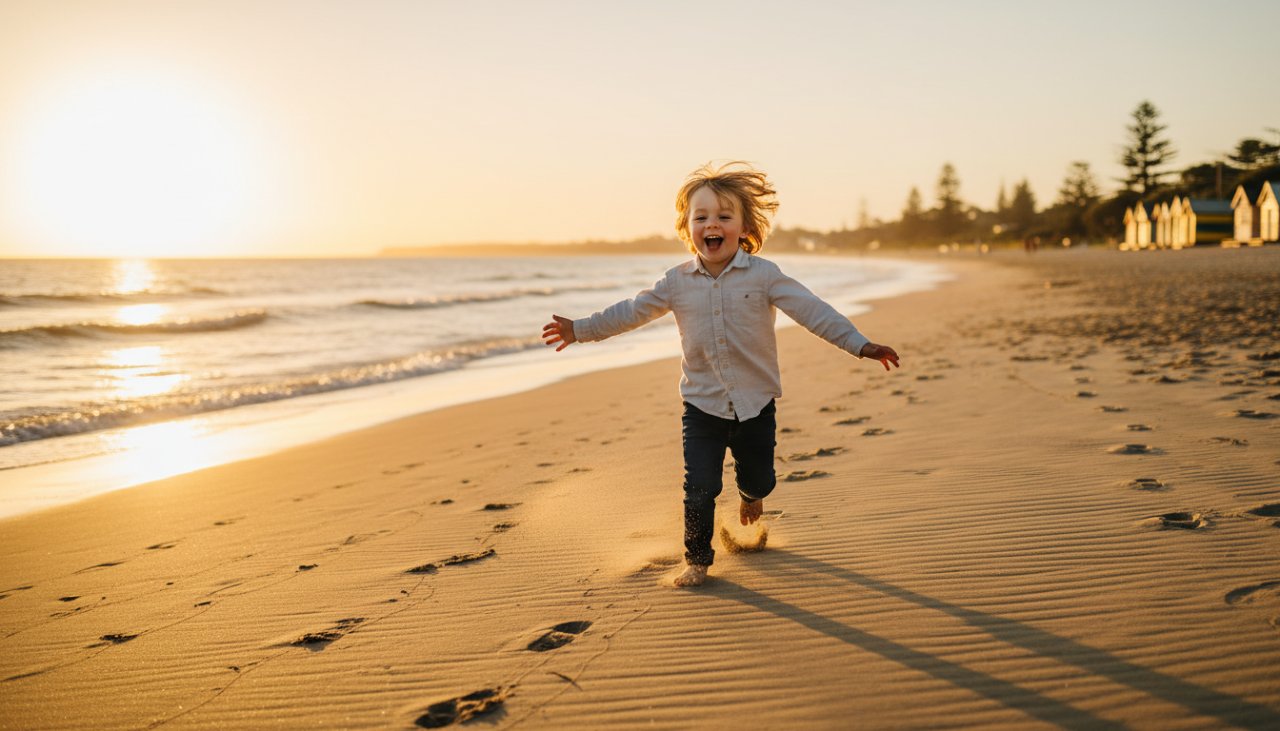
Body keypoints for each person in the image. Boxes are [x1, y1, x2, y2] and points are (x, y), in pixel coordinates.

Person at [541, 162, 899, 587]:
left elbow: (812, 311)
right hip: (702, 405)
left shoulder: (765, 276)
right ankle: (696, 560)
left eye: (724, 217)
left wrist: (859, 344)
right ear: (687, 228)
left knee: (759, 477)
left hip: (755, 404)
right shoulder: (676, 283)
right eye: (701, 217)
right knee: (700, 486)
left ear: (744, 226)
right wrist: (580, 330)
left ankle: (751, 497)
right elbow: (630, 312)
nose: (712, 224)